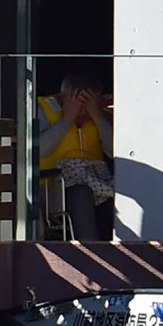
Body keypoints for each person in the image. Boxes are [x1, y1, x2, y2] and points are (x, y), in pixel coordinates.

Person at [38, 73, 114, 241]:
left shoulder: (101, 115)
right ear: (62, 98)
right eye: (78, 104)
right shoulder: (44, 110)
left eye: (88, 106)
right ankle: (91, 252)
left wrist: (98, 117)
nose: (83, 111)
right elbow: (40, 149)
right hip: (53, 188)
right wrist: (67, 119)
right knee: (81, 194)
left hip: (99, 183)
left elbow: (116, 152)